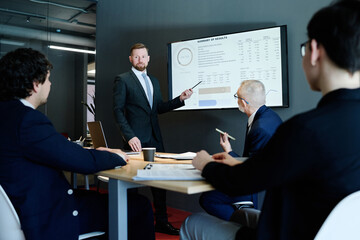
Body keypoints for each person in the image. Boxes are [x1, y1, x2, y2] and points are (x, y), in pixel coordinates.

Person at [181, 0, 360, 239]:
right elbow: (272, 168)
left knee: (192, 222)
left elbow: (239, 183)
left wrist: (205, 164)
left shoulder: (305, 129)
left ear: (315, 51)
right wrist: (237, 161)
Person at [0, 48, 155, 240]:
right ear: (35, 85)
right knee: (139, 206)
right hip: (46, 214)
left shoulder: (7, 115)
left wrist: (92, 152)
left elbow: (58, 151)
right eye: (48, 79)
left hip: (25, 204)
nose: (50, 84)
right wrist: (116, 156)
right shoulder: (27, 120)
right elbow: (82, 162)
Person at [113, 43, 193, 235]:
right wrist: (129, 135)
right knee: (132, 184)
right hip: (135, 140)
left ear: (148, 58)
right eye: (136, 57)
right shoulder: (122, 80)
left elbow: (158, 108)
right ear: (131, 59)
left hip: (155, 138)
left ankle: (162, 222)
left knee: (160, 182)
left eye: (143, 56)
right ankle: (130, 224)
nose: (140, 60)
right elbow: (117, 111)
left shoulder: (154, 81)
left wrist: (180, 100)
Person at [199, 80, 282, 221]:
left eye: (237, 97)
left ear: (243, 102)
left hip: (256, 187)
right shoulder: (270, 116)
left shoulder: (260, 128)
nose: (237, 101)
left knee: (208, 198)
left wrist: (228, 155)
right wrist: (229, 150)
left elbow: (250, 171)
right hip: (263, 179)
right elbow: (253, 162)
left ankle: (246, 223)